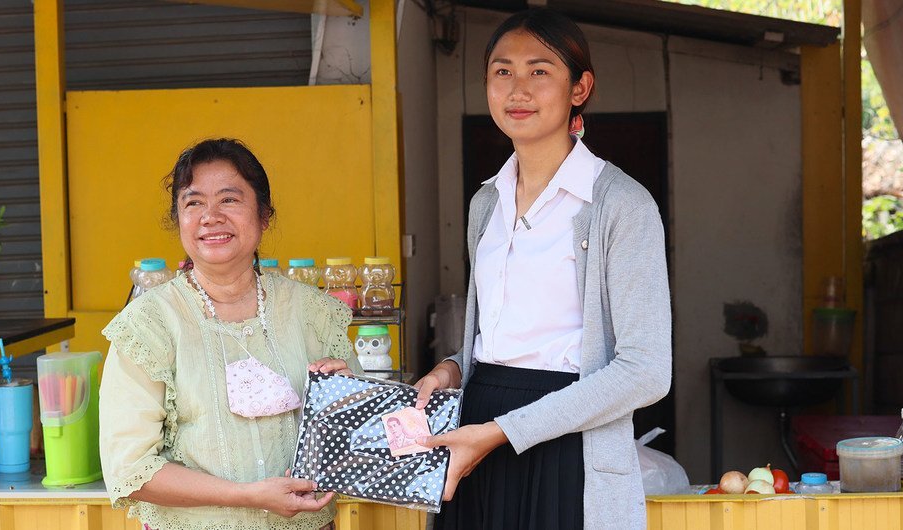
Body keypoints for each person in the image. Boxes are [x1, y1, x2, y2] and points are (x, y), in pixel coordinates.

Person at [412, 8, 672, 530]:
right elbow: (504, 338)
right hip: (477, 433)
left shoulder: (621, 205)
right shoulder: (486, 203)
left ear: (580, 88)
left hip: (566, 443)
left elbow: (646, 372)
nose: (518, 89)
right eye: (502, 71)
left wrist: (502, 431)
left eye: (540, 70)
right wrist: (451, 369)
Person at [99, 138, 361, 530]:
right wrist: (247, 497)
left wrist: (345, 402)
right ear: (179, 220)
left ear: (264, 215)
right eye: (193, 203)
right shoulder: (149, 325)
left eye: (229, 200)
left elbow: (367, 442)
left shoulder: (313, 313)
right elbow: (129, 469)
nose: (211, 216)